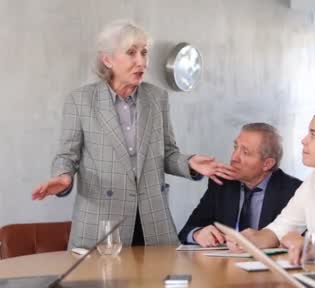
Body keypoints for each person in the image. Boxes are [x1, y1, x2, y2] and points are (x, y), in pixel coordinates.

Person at [31, 20, 235, 248]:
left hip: (152, 222)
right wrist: (64, 176)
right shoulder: (80, 101)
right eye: (131, 53)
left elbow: (167, 153)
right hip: (102, 224)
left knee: (158, 283)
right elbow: (66, 156)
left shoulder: (157, 98)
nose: (142, 62)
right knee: (100, 284)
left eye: (144, 52)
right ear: (107, 59)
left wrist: (189, 163)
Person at [226, 109, 315, 253]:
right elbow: (281, 228)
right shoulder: (313, 180)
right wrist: (252, 238)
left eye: (313, 135)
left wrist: (302, 242)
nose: (304, 140)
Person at [178, 123, 301, 246]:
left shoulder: (294, 191)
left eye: (245, 152)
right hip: (226, 264)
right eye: (235, 147)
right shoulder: (222, 183)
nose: (234, 158)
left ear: (267, 164)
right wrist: (197, 234)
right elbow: (186, 231)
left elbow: (303, 243)